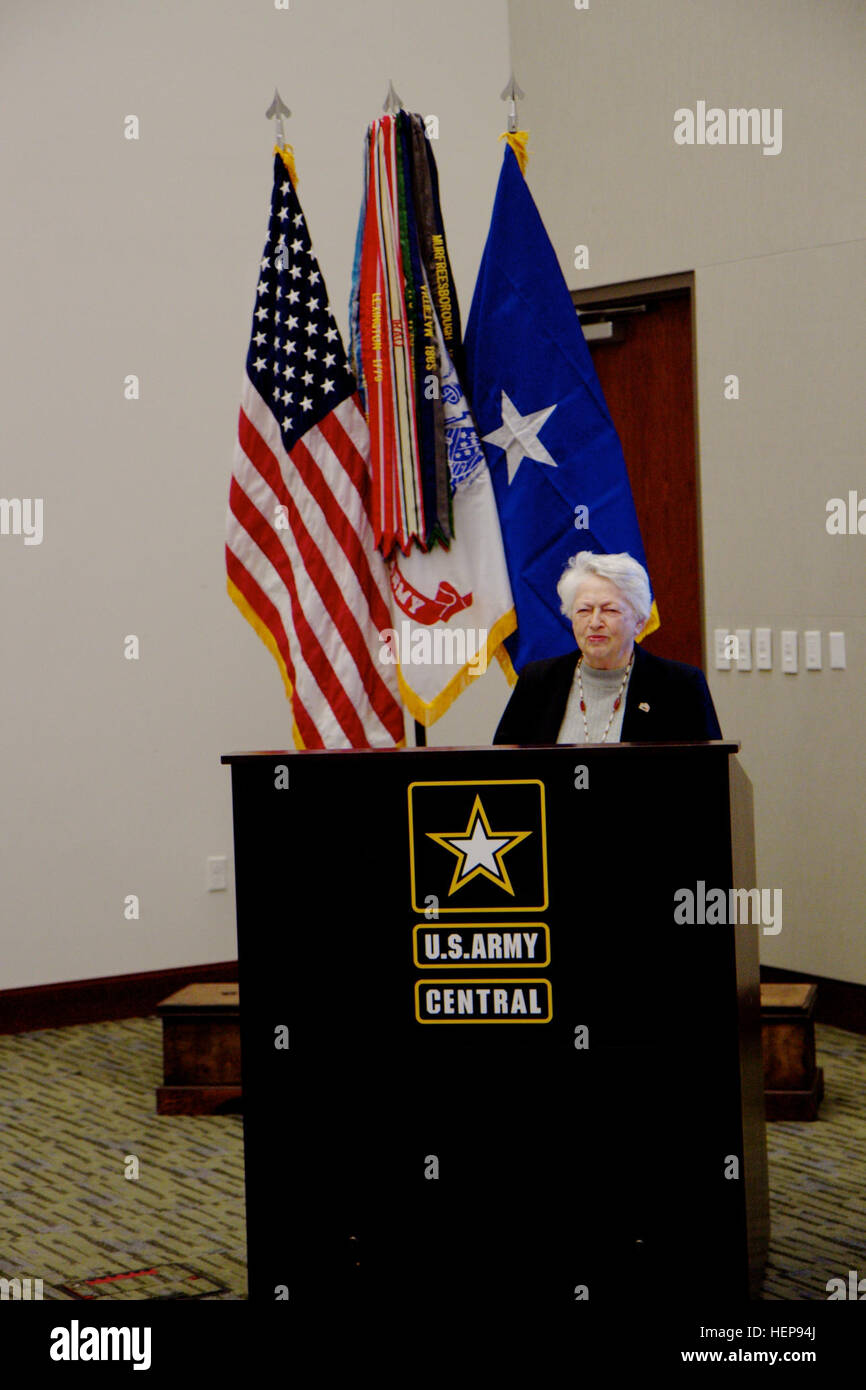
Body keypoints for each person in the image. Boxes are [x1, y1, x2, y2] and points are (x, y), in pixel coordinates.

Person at [493, 551, 722, 745]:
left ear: (639, 622)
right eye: (584, 610)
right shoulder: (538, 682)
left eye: (610, 610)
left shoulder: (681, 686)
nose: (594, 622)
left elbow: (711, 773)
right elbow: (505, 772)